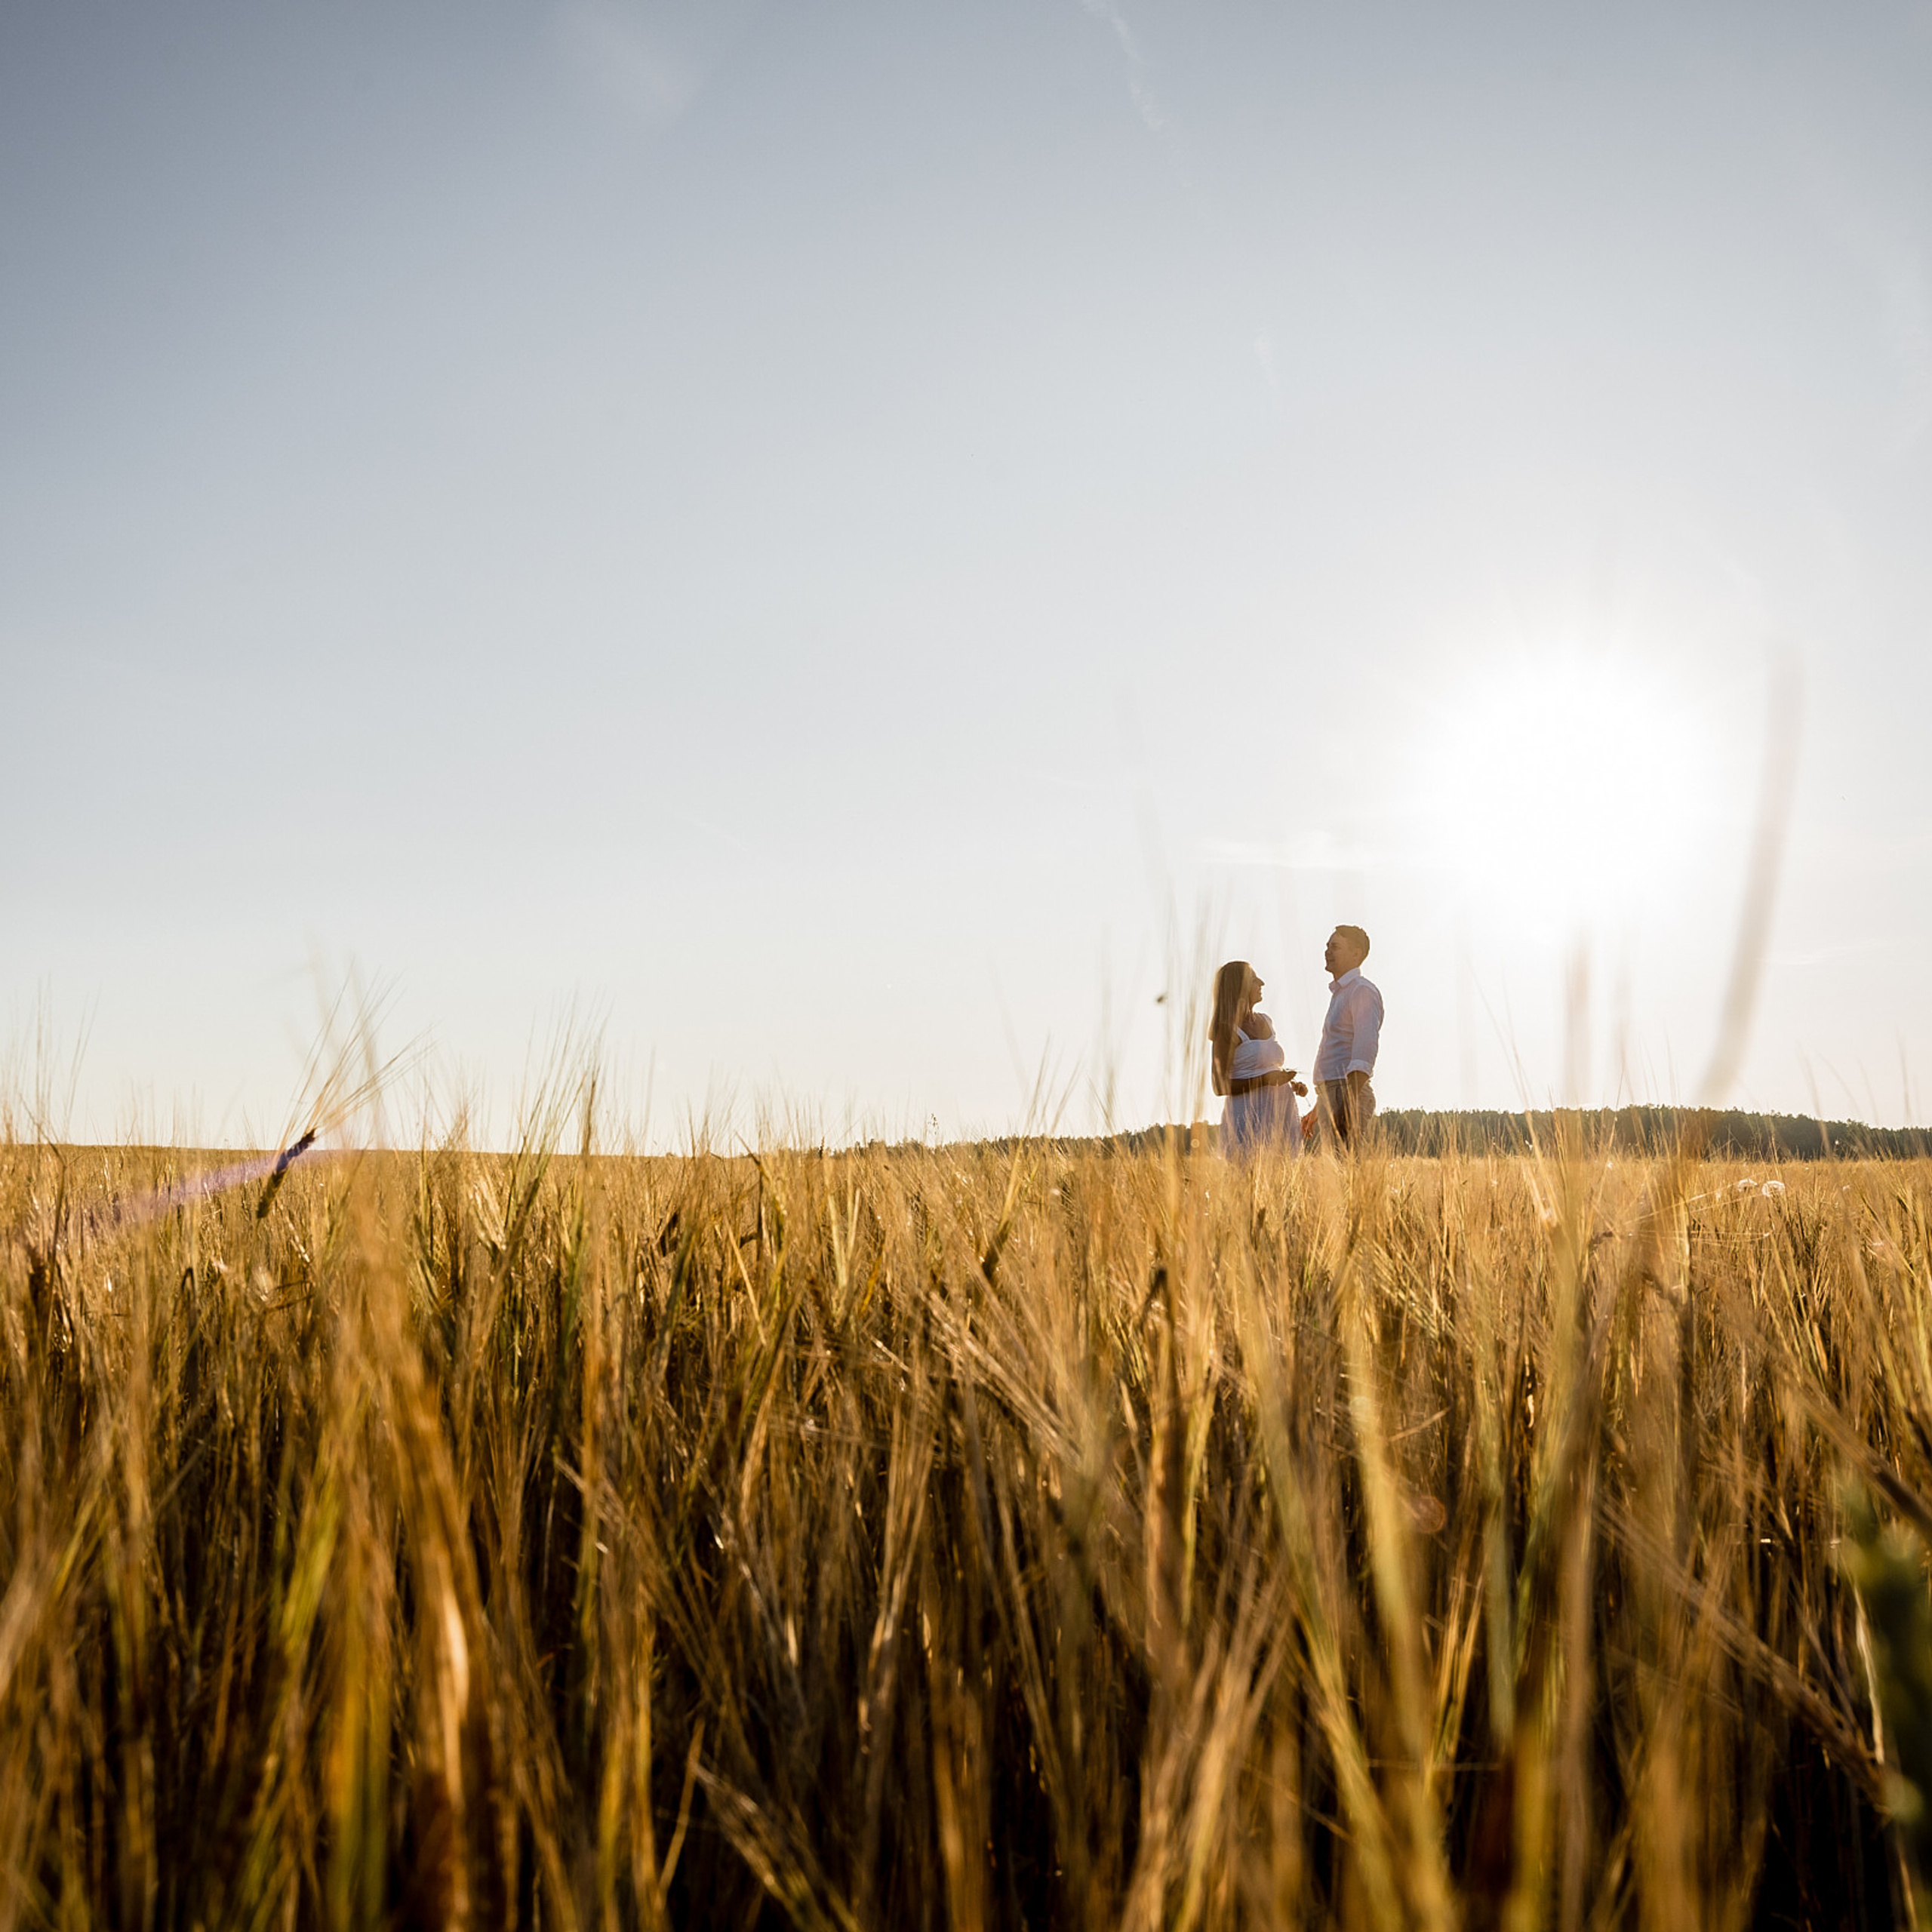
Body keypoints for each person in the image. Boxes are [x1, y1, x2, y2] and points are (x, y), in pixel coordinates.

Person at [1209, 960, 1306, 1158]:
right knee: (1248, 1179)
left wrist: (1289, 1082)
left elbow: (1265, 1066)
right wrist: (1265, 1081)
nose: (1261, 983)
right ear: (1239, 986)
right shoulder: (1227, 1029)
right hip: (1247, 1118)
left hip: (1281, 1113)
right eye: (1254, 979)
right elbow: (1219, 1087)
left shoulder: (1266, 1021)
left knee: (1282, 1179)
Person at [1309, 925, 1382, 1147]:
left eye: (1335, 947)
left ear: (1356, 953)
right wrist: (1319, 1106)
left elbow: (1364, 1052)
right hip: (1333, 1095)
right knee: (1335, 1174)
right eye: (1327, 947)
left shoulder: (1361, 991)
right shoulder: (1341, 993)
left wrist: (1348, 1105)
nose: (1327, 952)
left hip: (1347, 1093)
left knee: (1346, 1171)